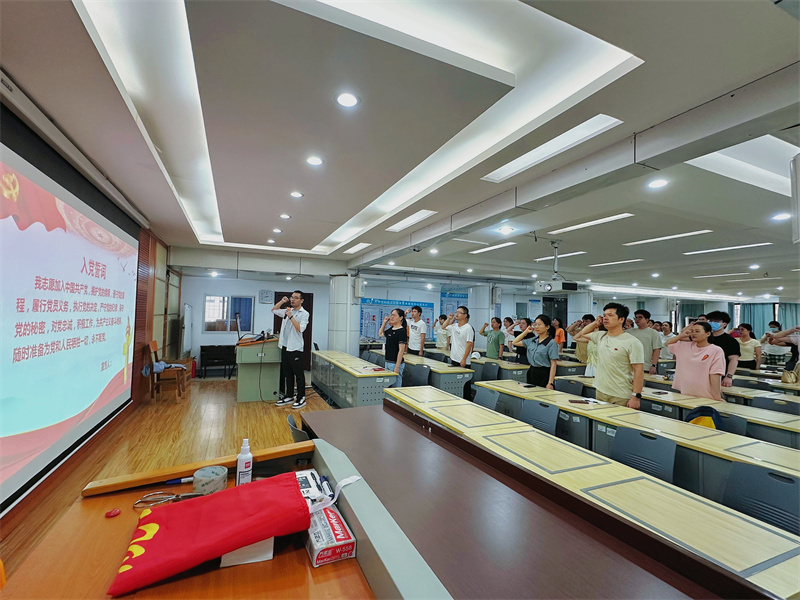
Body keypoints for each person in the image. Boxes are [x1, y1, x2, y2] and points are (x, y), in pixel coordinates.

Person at [573, 302, 644, 408]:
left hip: (621, 394)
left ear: (621, 319)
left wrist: (636, 396)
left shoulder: (632, 342)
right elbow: (583, 333)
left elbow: (639, 370)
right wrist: (595, 323)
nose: (605, 318)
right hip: (601, 391)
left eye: (610, 315)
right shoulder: (601, 336)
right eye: (604, 315)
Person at [665, 322, 725, 401]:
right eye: (692, 331)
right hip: (686, 392)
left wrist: (717, 397)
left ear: (708, 334)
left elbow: (715, 374)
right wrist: (681, 335)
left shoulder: (716, 350)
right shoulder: (684, 346)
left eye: (697, 331)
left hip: (706, 395)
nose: (694, 334)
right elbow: (667, 343)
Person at [272, 291, 310, 409]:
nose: (292, 299)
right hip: (285, 346)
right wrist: (282, 302)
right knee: (287, 373)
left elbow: (300, 328)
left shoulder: (304, 314)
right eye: (291, 297)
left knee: (298, 375)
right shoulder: (288, 310)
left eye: (296, 298)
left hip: (295, 348)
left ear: (301, 300)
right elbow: (274, 310)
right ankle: (289, 395)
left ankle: (301, 397)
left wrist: (291, 316)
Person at [513, 315, 559, 388]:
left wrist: (550, 382)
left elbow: (553, 364)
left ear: (547, 327)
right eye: (535, 325)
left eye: (539, 325)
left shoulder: (551, 343)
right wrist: (526, 331)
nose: (536, 327)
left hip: (544, 373)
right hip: (532, 371)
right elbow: (515, 342)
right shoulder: (532, 340)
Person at [705, 310, 740, 388]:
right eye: (710, 321)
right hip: (703, 373)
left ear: (724, 324)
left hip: (720, 375)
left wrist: (729, 376)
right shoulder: (705, 338)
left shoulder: (731, 341)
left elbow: (733, 360)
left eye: (716, 321)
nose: (712, 323)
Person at [628, 309, 663, 375]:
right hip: (629, 366)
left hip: (645, 366)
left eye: (640, 317)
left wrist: (653, 365)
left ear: (647, 319)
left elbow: (656, 350)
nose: (637, 319)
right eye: (636, 318)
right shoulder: (629, 332)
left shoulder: (653, 333)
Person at [379, 309, 408, 386]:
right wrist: (384, 323)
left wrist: (397, 367)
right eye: (391, 315)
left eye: (394, 315)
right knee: (387, 386)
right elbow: (380, 333)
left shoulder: (402, 331)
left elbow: (401, 350)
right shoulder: (391, 329)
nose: (391, 317)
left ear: (401, 317)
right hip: (388, 361)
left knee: (395, 387)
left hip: (395, 363)